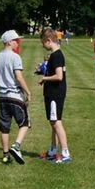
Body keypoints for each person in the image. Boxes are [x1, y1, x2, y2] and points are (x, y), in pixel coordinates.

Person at [0, 30, 32, 164]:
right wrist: (28, 91)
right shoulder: (15, 57)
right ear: (9, 42)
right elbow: (19, 77)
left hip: (1, 97)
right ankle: (16, 146)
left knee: (4, 127)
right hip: (14, 95)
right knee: (25, 123)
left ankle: (5, 155)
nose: (18, 42)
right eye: (16, 40)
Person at [36, 29, 72, 163]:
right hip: (53, 93)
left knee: (56, 122)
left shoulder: (56, 56)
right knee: (53, 122)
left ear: (48, 41)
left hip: (55, 94)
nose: (43, 46)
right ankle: (52, 150)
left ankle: (65, 153)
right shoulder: (55, 54)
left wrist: (44, 78)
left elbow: (59, 76)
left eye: (43, 43)